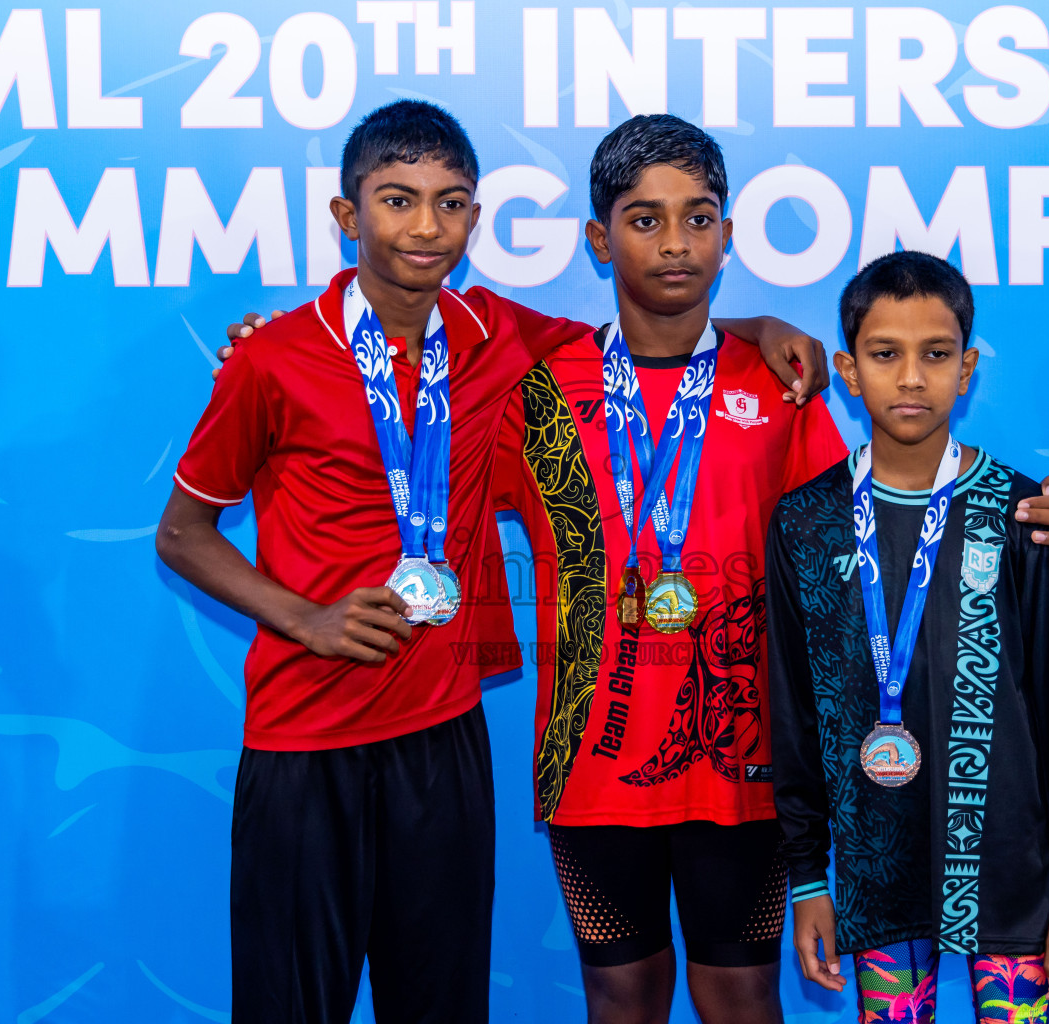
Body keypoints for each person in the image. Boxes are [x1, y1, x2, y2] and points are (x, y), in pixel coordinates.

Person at [158, 99, 826, 1024]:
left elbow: (660, 333)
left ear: (475, 217)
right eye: (398, 201)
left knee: (443, 1004)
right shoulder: (276, 358)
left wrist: (757, 323)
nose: (425, 226)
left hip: (448, 733)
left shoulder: (500, 340)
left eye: (450, 202)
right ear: (347, 218)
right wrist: (304, 617)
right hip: (308, 738)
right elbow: (183, 531)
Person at [489, 118, 1049, 1024]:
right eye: (644, 219)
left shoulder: (784, 385)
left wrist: (1028, 522)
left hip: (749, 770)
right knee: (620, 999)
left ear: (728, 237)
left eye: (698, 219)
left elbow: (866, 541)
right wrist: (256, 350)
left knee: (743, 999)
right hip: (593, 762)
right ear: (597, 238)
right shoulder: (539, 392)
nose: (675, 242)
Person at [765, 251, 1049, 1024]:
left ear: (968, 367)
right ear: (849, 370)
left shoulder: (1022, 514)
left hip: (1008, 866)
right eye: (886, 355)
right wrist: (808, 879)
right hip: (874, 864)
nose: (912, 377)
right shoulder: (806, 522)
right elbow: (794, 717)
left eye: (936, 354)